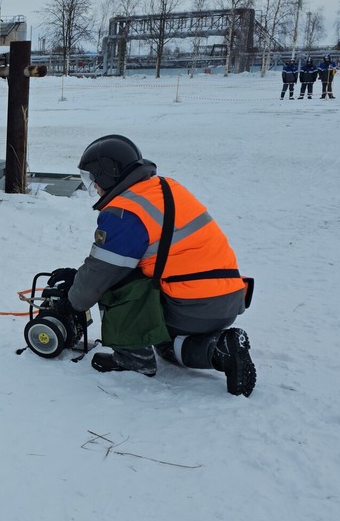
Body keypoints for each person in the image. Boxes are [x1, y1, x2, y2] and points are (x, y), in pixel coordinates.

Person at [47, 135, 256, 396]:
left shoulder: (125, 211)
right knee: (167, 336)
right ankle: (222, 347)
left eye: (94, 180)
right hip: (227, 298)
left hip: (193, 305)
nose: (96, 188)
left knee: (126, 295)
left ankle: (133, 356)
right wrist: (79, 277)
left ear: (109, 175)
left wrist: (72, 301)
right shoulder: (164, 187)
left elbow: (103, 272)